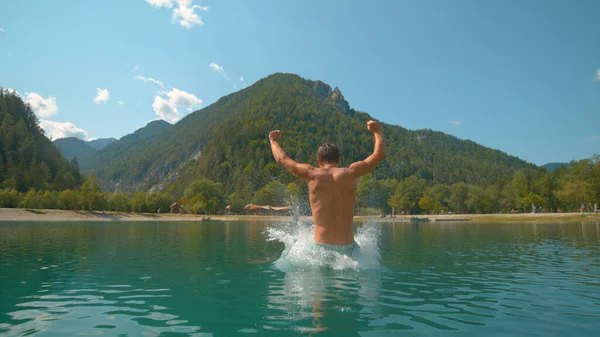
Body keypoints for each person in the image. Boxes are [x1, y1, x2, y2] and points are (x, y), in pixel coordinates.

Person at [269, 120, 385, 256]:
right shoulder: (351, 173)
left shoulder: (311, 174)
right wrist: (377, 131)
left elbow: (282, 159)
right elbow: (379, 155)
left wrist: (273, 140)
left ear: (319, 160)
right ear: (338, 159)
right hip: (349, 249)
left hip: (320, 249)